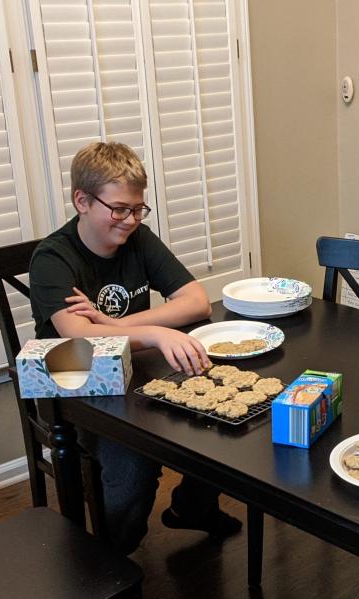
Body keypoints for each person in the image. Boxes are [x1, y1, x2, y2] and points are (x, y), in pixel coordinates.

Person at [28, 141, 241, 553]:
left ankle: (191, 508)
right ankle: (112, 557)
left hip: (136, 375)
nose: (129, 221)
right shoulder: (53, 258)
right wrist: (156, 332)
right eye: (119, 209)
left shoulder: (138, 239)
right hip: (77, 388)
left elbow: (195, 301)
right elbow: (79, 338)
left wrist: (115, 324)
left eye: (138, 209)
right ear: (82, 201)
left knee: (219, 417)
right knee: (134, 468)